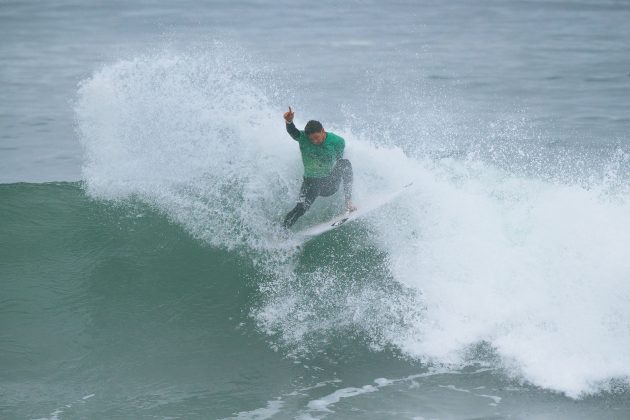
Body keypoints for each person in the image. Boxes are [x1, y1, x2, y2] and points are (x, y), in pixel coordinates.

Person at [283, 106, 356, 228]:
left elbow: (339, 161)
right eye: (311, 139)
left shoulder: (337, 141)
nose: (314, 141)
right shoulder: (303, 138)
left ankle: (348, 203)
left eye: (316, 137)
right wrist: (289, 122)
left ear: (323, 130)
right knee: (300, 208)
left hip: (329, 183)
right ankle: (281, 233)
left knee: (345, 163)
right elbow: (293, 132)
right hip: (309, 183)